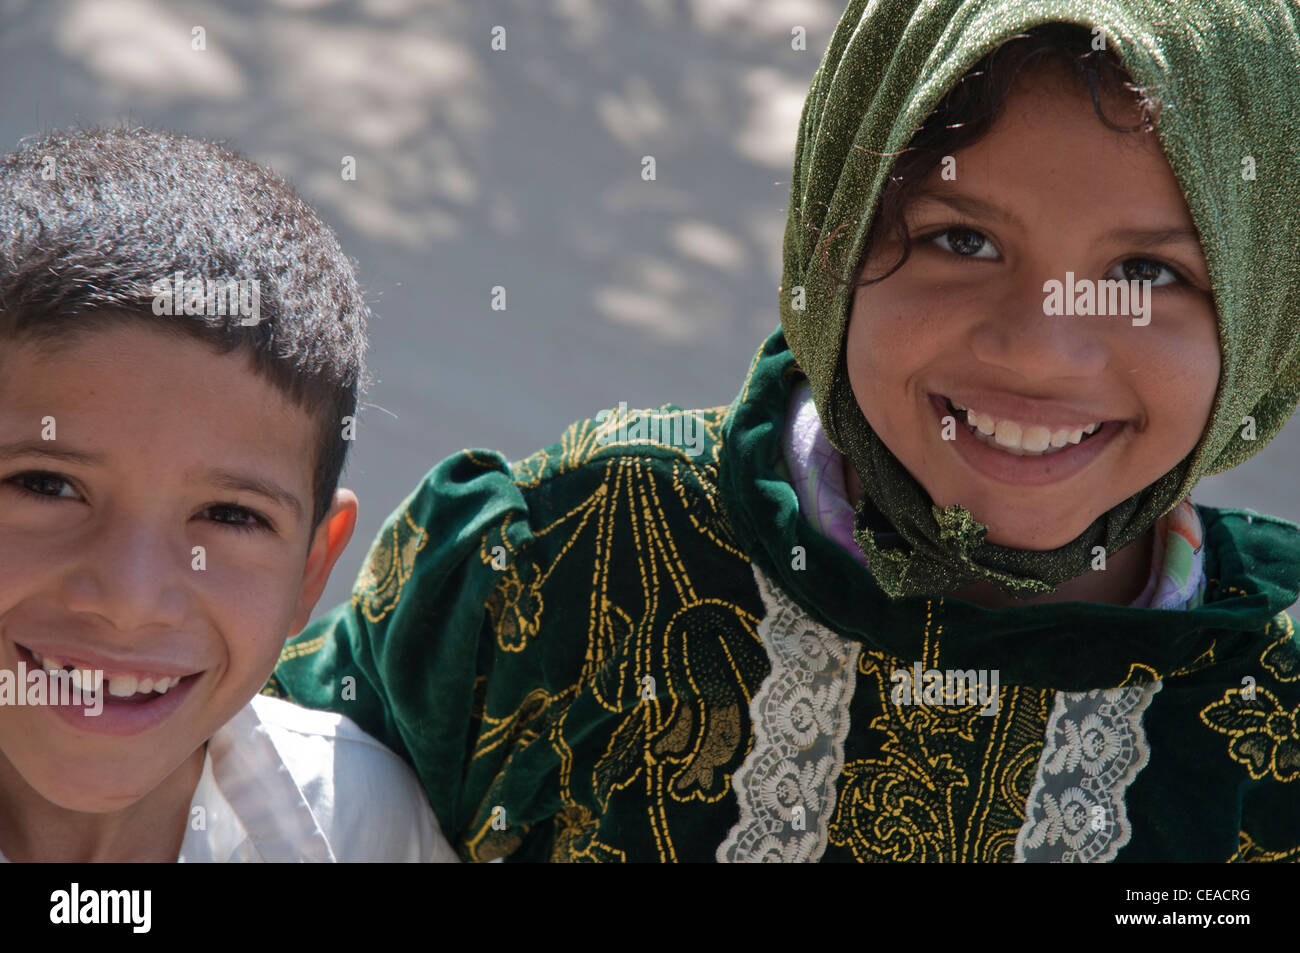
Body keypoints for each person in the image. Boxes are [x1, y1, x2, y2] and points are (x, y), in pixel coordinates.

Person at [272, 0, 1300, 862]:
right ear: (835, 231)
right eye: (962, 238)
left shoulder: (1279, 697)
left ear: (1264, 311)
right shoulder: (570, 549)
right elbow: (256, 798)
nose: (1039, 349)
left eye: (1146, 274)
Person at [0, 127, 456, 862]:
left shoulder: (364, 824)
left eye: (230, 515)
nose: (129, 597)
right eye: (48, 485)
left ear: (312, 569)